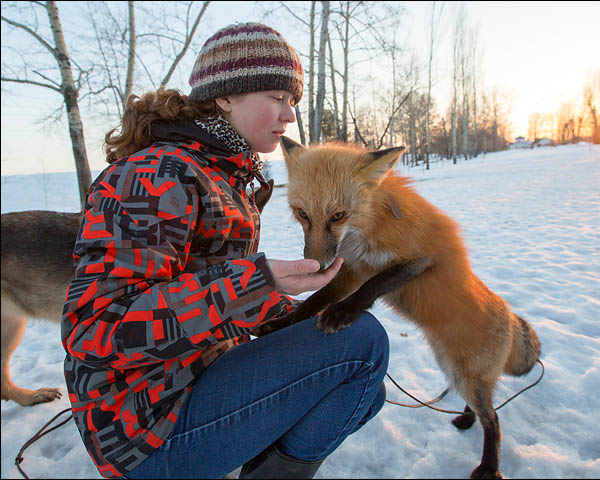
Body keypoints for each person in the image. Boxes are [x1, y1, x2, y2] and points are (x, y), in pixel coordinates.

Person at [61, 22, 389, 479]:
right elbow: (96, 330)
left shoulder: (224, 174)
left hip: (196, 378)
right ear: (225, 97)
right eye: (276, 96)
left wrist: (293, 315)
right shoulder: (155, 176)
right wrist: (256, 280)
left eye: (292, 100)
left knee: (357, 375)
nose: (288, 114)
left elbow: (209, 298)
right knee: (362, 344)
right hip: (143, 428)